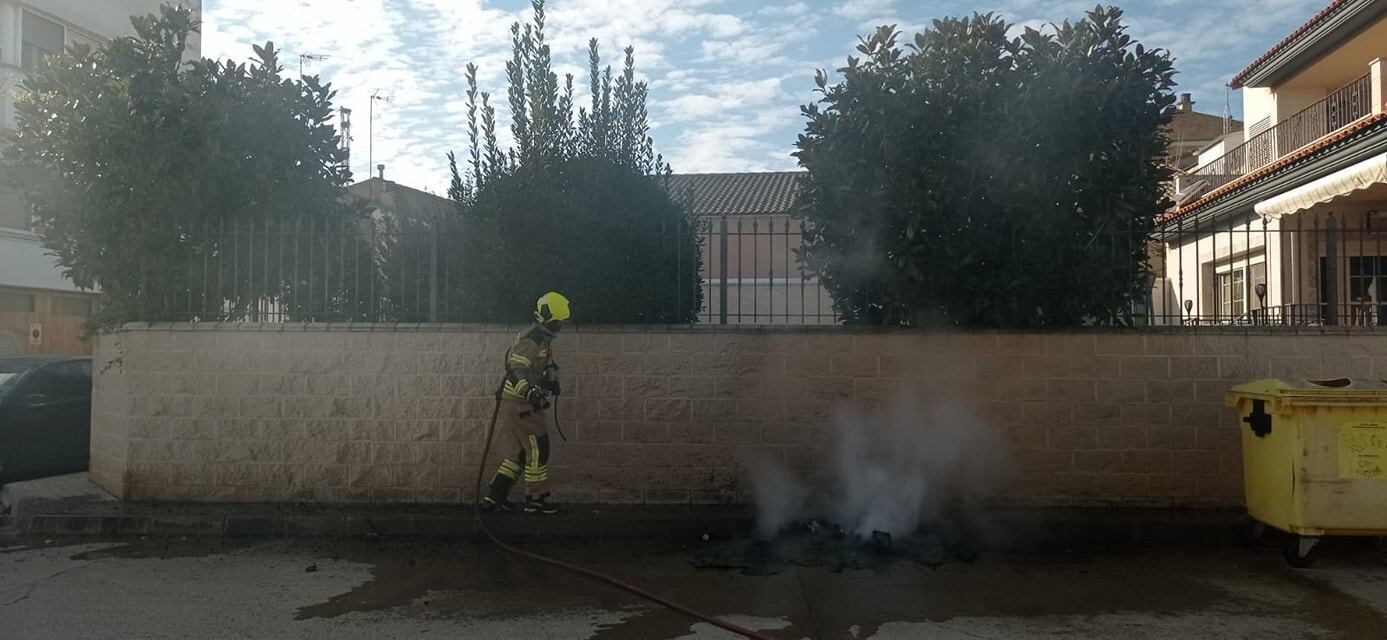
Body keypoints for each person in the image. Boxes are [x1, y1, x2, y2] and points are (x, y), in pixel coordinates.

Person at [482, 291, 570, 514]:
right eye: (559, 321)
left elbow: (537, 366)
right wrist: (530, 392)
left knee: (523, 453)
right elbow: (515, 369)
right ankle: (535, 501)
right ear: (550, 319)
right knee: (539, 449)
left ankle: (496, 495)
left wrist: (550, 382)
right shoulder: (535, 338)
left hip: (519, 403)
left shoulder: (542, 337)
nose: (562, 325)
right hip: (522, 404)